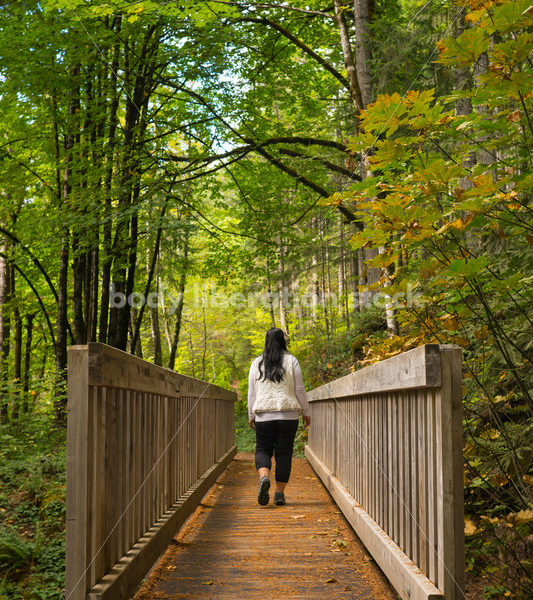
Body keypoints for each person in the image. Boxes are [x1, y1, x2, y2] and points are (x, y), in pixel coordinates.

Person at [247, 327, 311, 506]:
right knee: (284, 454)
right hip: (288, 414)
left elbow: (252, 392)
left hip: (264, 415)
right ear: (283, 341)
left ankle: (264, 478)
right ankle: (279, 494)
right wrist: (306, 412)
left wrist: (251, 414)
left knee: (262, 450)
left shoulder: (256, 362)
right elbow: (299, 389)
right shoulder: (292, 361)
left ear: (266, 341)